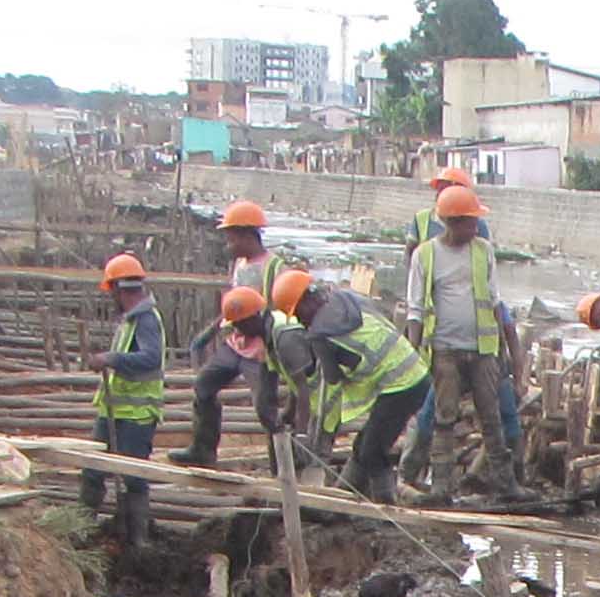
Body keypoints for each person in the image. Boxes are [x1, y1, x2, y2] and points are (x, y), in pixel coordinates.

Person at [280, 261, 433, 500]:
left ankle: (387, 510)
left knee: (373, 451)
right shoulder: (348, 298)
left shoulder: (320, 335)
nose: (301, 321)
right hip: (415, 372)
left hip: (402, 386)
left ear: (307, 302)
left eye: (299, 313)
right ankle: (342, 500)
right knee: (363, 446)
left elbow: (332, 378)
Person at [410, 184, 525, 500]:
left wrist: (507, 353)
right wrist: (414, 355)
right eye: (470, 221)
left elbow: (495, 300)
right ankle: (441, 486)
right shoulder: (426, 255)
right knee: (444, 418)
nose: (476, 227)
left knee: (492, 419)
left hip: (483, 351)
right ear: (452, 222)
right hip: (445, 349)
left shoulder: (482, 251)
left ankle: (507, 484)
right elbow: (416, 308)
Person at [176, 206, 292, 467]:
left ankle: (282, 467)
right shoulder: (240, 265)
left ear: (247, 236)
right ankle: (203, 449)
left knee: (266, 410)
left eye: (232, 238)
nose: (229, 244)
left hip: (262, 351)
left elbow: (284, 311)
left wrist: (272, 341)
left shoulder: (275, 268)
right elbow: (234, 305)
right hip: (235, 344)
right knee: (204, 387)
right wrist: (212, 330)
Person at [82, 256, 163, 547]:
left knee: (134, 477)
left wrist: (110, 358)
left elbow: (151, 358)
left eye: (112, 291)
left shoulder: (146, 320)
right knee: (93, 469)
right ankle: (81, 528)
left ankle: (138, 540)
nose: (111, 298)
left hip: (137, 415)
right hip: (113, 411)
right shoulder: (130, 320)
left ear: (121, 289)